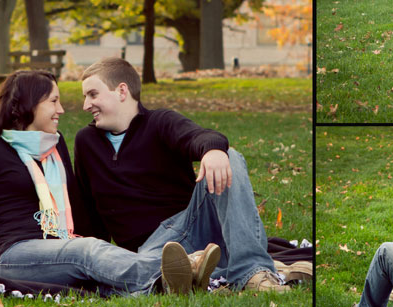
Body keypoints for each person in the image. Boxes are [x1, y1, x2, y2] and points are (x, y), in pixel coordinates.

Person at [0, 70, 220, 297]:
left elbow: (76, 205)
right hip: (18, 255)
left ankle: (169, 281)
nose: (62, 110)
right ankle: (182, 273)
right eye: (53, 101)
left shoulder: (55, 146)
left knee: (95, 264)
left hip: (63, 249)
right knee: (88, 252)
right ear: (29, 104)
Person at [74, 57, 292, 293]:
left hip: (192, 224)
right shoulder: (87, 142)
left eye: (93, 94)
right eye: (85, 97)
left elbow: (202, 137)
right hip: (151, 251)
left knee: (227, 155)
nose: (86, 105)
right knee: (138, 270)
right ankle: (206, 272)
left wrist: (214, 150)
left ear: (122, 91)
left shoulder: (159, 122)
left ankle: (252, 272)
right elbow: (90, 213)